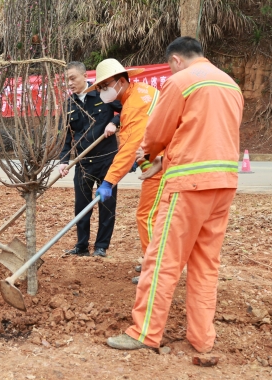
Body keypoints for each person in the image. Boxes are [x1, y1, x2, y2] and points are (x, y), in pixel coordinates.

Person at [106, 37, 243, 352]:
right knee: (206, 264)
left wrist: (149, 157)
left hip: (189, 185)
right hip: (224, 184)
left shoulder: (181, 81)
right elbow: (205, 134)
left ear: (177, 60)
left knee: (162, 261)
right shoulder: (231, 85)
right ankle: (202, 339)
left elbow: (157, 132)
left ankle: (145, 333)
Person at [86, 58, 164, 284]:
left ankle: (155, 271)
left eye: (104, 86)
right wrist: (136, 161)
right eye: (100, 88)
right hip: (156, 161)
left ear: (120, 81)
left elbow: (130, 147)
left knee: (147, 216)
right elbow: (142, 138)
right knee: (154, 216)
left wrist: (108, 181)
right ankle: (154, 260)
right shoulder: (139, 94)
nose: (102, 91)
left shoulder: (135, 104)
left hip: (162, 166)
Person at [58, 61, 122, 257]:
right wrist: (63, 160)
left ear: (85, 76)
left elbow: (126, 110)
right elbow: (66, 135)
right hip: (83, 163)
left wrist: (113, 122)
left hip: (106, 161)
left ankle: (101, 246)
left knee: (106, 204)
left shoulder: (104, 93)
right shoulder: (69, 104)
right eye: (66, 80)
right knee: (81, 206)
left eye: (73, 78)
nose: (69, 83)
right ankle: (82, 246)